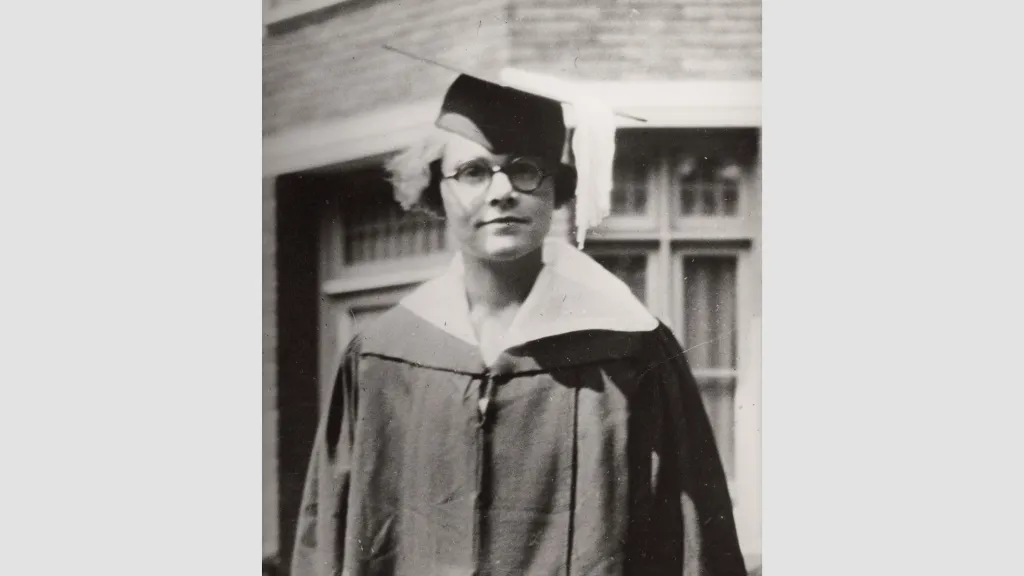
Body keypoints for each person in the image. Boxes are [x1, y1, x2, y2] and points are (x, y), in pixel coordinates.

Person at [290, 56, 748, 576]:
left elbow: (697, 547)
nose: (502, 190)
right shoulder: (381, 357)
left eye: (525, 169)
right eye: (473, 172)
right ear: (437, 192)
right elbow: (326, 540)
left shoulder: (633, 349)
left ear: (556, 191)